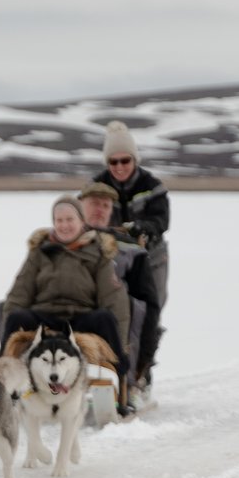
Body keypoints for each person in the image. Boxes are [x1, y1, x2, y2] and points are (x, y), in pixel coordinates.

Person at [0, 194, 133, 416]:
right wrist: (11, 317)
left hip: (81, 316)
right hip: (45, 315)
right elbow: (20, 292)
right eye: (59, 220)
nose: (64, 225)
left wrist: (123, 343)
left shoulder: (97, 252)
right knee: (17, 318)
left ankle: (120, 391)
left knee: (105, 318)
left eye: (69, 219)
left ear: (81, 221)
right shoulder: (40, 251)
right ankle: (1, 388)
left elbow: (113, 298)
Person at [91, 121, 170, 402]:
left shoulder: (152, 186)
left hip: (152, 257)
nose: (119, 166)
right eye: (113, 161)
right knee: (113, 310)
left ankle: (141, 371)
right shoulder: (97, 185)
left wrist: (142, 227)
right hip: (112, 256)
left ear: (134, 159)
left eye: (125, 160)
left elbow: (162, 219)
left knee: (150, 310)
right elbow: (85, 211)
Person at [78, 182, 160, 385]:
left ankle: (127, 379)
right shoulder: (64, 239)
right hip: (68, 307)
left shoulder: (129, 249)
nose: (99, 210)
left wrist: (145, 358)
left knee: (136, 307)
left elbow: (147, 300)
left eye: (105, 206)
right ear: (81, 206)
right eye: (94, 204)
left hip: (112, 313)